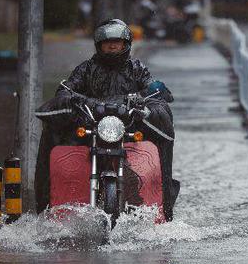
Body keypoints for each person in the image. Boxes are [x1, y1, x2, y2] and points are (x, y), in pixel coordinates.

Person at [35, 18, 179, 221]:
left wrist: (151, 96)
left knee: (160, 127)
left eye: (117, 41)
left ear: (125, 44)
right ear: (99, 45)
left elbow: (151, 89)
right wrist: (72, 99)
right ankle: (45, 208)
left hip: (126, 128)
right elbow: (67, 89)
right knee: (53, 130)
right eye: (107, 42)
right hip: (92, 127)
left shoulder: (136, 68)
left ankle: (164, 207)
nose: (112, 45)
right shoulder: (86, 69)